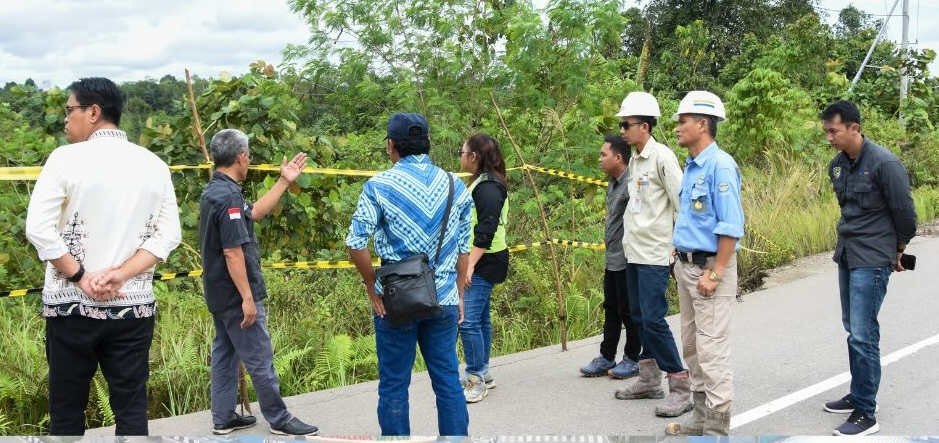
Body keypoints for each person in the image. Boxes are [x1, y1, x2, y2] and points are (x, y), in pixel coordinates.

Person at [25, 77, 182, 435]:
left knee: (66, 409)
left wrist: (81, 277)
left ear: (93, 112)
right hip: (133, 305)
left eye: (70, 110)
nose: (66, 119)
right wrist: (122, 274)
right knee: (131, 407)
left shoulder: (65, 159)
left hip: (72, 307)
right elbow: (169, 234)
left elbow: (38, 228)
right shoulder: (154, 164)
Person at [347, 113, 472, 436]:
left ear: (392, 146)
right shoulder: (454, 185)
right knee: (447, 381)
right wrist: (458, 294)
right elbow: (463, 249)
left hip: (395, 301)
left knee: (393, 385)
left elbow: (355, 243)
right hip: (442, 298)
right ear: (427, 144)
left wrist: (371, 286)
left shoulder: (379, 185)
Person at [198, 129, 319, 436]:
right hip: (236, 297)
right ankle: (279, 419)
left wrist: (284, 180)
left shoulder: (216, 191)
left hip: (219, 294)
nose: (248, 161)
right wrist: (247, 298)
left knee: (225, 353)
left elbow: (254, 214)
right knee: (259, 356)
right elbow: (231, 251)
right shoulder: (227, 197)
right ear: (241, 157)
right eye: (248, 155)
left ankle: (223, 418)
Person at [820, 100, 916, 436]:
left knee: (864, 334)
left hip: (873, 258)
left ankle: (866, 413)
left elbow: (905, 213)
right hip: (847, 254)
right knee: (853, 329)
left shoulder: (884, 163)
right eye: (826, 131)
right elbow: (848, 210)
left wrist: (898, 249)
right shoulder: (836, 165)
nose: (829, 137)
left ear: (854, 128)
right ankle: (857, 393)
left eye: (834, 131)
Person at [664, 90, 744, 436]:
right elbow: (691, 219)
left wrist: (717, 271)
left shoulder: (720, 165)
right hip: (687, 267)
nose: (678, 127)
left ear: (702, 124)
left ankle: (717, 428)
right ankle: (700, 418)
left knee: (712, 351)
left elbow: (731, 226)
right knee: (693, 347)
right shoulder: (693, 166)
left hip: (711, 269)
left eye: (682, 121)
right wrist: (676, 252)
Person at [612, 92, 691, 419]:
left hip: (656, 253)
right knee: (638, 316)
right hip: (635, 251)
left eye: (626, 124)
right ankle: (648, 379)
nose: (622, 130)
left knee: (654, 319)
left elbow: (682, 203)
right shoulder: (635, 159)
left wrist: (676, 245)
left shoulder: (662, 157)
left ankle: (681, 385)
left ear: (644, 126)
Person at [579, 133, 642, 380]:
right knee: (611, 308)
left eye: (603, 154)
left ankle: (633, 359)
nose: (599, 159)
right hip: (613, 257)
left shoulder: (632, 183)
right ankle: (607, 356)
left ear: (618, 157)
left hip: (629, 258)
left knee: (629, 311)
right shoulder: (613, 183)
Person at [457, 133, 510, 403]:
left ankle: (475, 377)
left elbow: (486, 230)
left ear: (474, 156)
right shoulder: (482, 182)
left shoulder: (488, 187)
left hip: (484, 259)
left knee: (467, 321)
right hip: (484, 258)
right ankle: (484, 371)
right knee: (481, 319)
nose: (460, 155)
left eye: (462, 151)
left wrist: (469, 266)